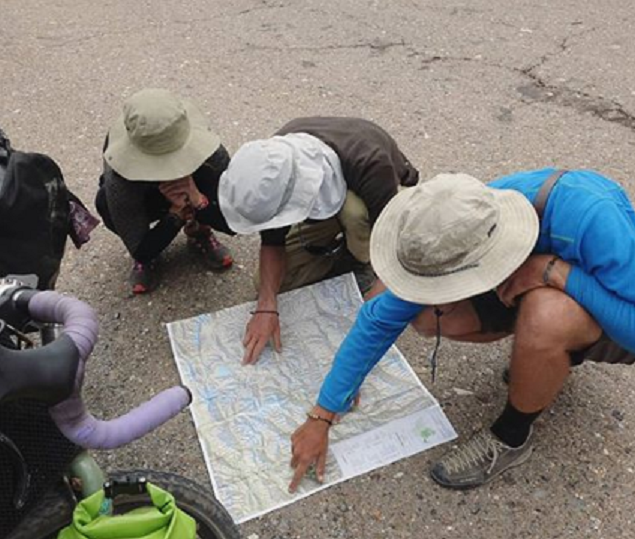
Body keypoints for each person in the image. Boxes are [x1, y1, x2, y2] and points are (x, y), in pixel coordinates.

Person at [288, 170, 635, 492]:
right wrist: (323, 414)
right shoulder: (461, 223)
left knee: (546, 317)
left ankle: (512, 435)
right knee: (430, 316)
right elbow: (379, 317)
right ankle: (541, 359)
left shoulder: (588, 218)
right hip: (537, 281)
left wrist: (555, 272)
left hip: (629, 320)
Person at [218, 116, 419, 364]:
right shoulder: (272, 169)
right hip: (331, 197)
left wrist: (359, 337)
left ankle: (360, 261)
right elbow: (272, 242)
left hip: (383, 198)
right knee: (265, 284)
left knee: (355, 215)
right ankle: (339, 253)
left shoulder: (372, 163)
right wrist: (266, 307)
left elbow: (394, 256)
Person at [95, 88, 233, 294]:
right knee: (105, 202)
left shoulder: (213, 156)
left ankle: (200, 231)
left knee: (213, 182)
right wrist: (174, 216)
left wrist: (198, 200)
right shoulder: (120, 177)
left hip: (196, 188)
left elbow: (234, 222)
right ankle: (154, 252)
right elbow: (140, 250)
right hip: (145, 195)